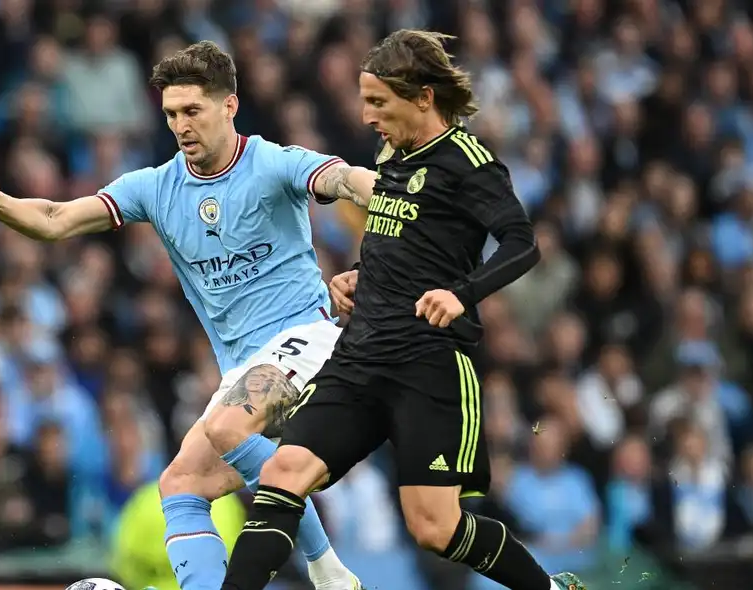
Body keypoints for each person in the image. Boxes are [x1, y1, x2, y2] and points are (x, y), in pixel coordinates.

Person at [0, 41, 376, 590]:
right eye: (171, 114)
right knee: (180, 486)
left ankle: (327, 569)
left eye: (192, 110)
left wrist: (387, 193)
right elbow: (55, 219)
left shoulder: (273, 164)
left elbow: (344, 180)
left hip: (308, 339)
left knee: (224, 427)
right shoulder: (154, 187)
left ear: (229, 106)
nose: (180, 125)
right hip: (241, 367)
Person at [218, 30, 588, 590]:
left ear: (423, 98)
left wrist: (463, 293)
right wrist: (362, 280)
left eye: (378, 102)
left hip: (428, 363)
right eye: (365, 101)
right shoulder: (392, 155)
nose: (367, 116)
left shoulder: (469, 162)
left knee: (434, 528)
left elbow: (521, 241)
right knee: (282, 471)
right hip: (361, 354)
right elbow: (410, 243)